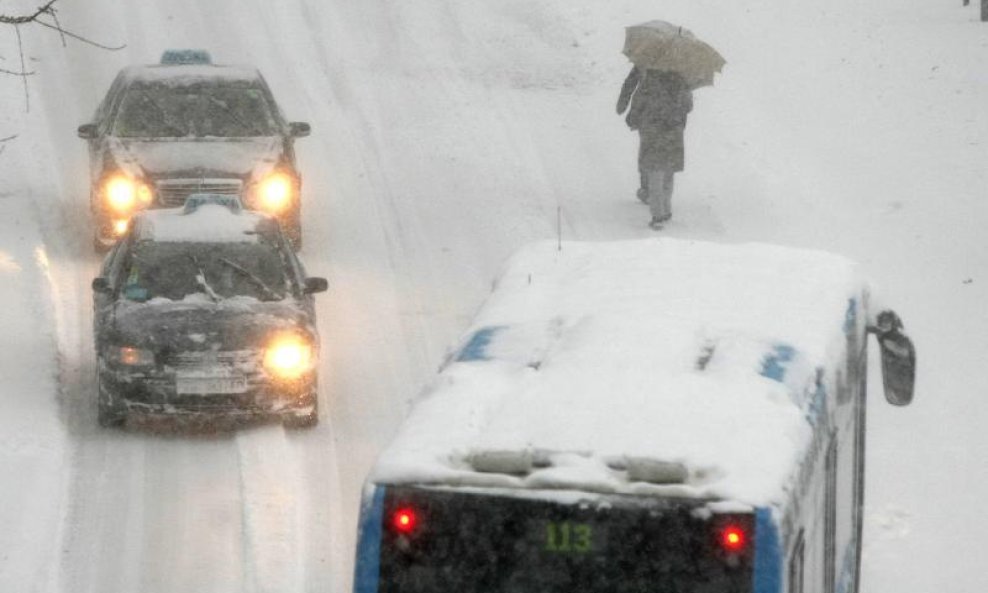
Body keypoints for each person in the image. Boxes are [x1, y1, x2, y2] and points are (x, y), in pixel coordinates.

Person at [616, 66, 693, 229]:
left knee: (654, 169)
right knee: (669, 169)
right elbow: (688, 105)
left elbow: (638, 100)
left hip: (652, 129)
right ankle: (666, 208)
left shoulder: (649, 74)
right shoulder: (681, 76)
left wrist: (631, 118)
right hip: (674, 129)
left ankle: (657, 213)